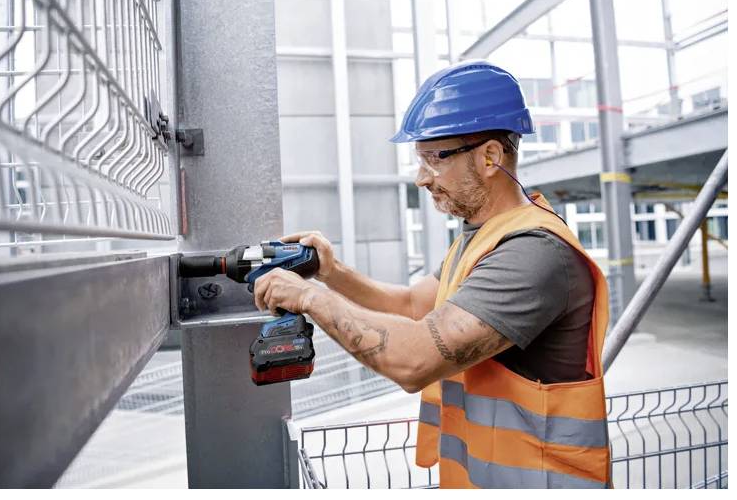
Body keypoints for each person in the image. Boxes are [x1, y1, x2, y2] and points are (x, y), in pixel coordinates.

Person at [253, 61, 611, 488]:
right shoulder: (482, 238)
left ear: (490, 156)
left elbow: (414, 359)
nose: (421, 178)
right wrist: (332, 272)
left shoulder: (532, 252)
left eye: (432, 159)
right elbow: (410, 304)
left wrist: (310, 297)